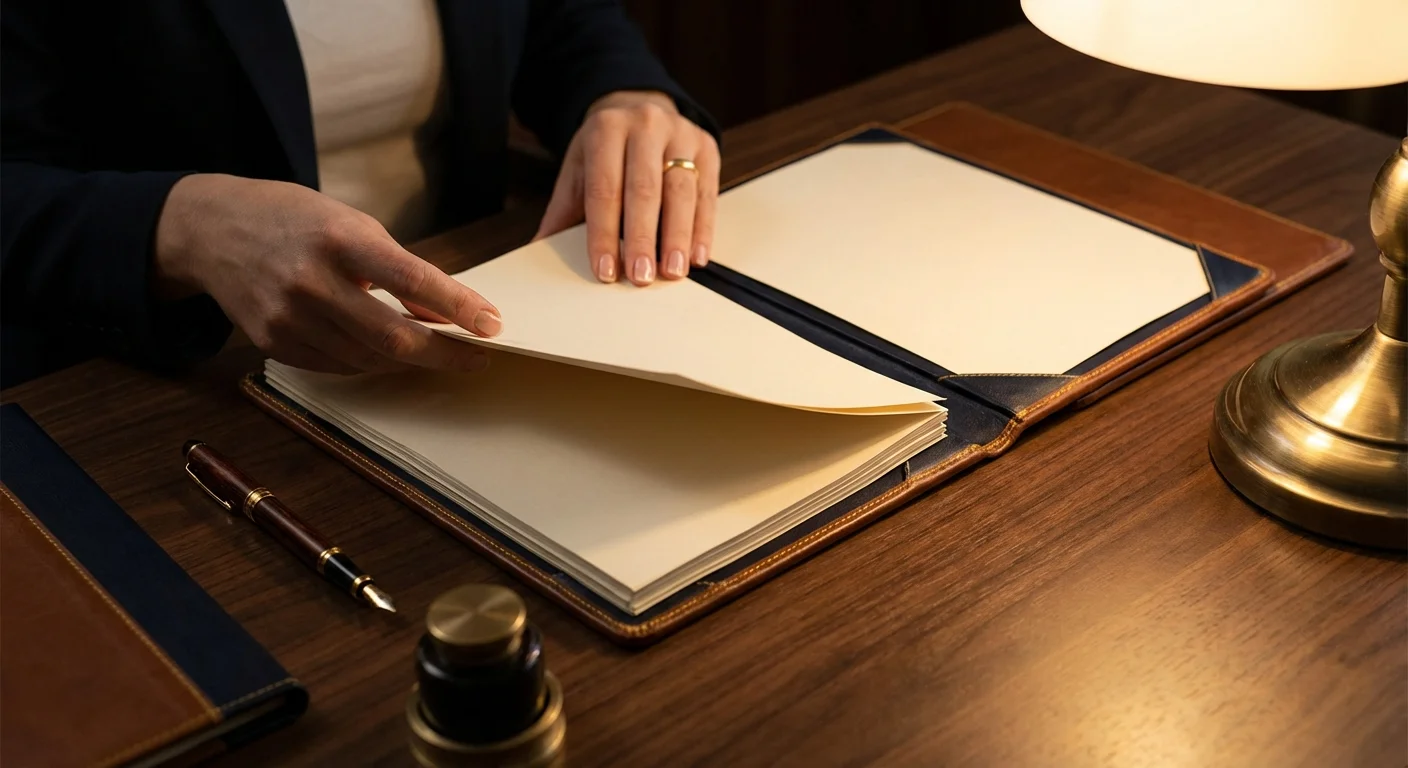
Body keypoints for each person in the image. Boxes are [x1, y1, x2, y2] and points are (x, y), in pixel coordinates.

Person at [0, 0, 721, 388]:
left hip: (469, 343)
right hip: (166, 389)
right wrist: (181, 228)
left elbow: (562, 19)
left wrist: (626, 93)